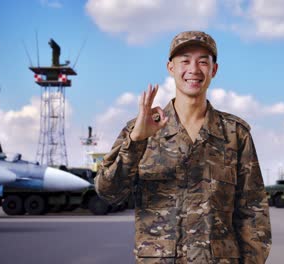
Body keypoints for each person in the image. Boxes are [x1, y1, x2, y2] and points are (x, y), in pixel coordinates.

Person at [95, 30, 271, 264]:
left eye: (203, 62)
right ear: (170, 68)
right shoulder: (140, 129)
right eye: (185, 60)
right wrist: (136, 142)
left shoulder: (235, 134)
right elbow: (108, 193)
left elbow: (253, 212)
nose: (194, 70)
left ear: (214, 70)